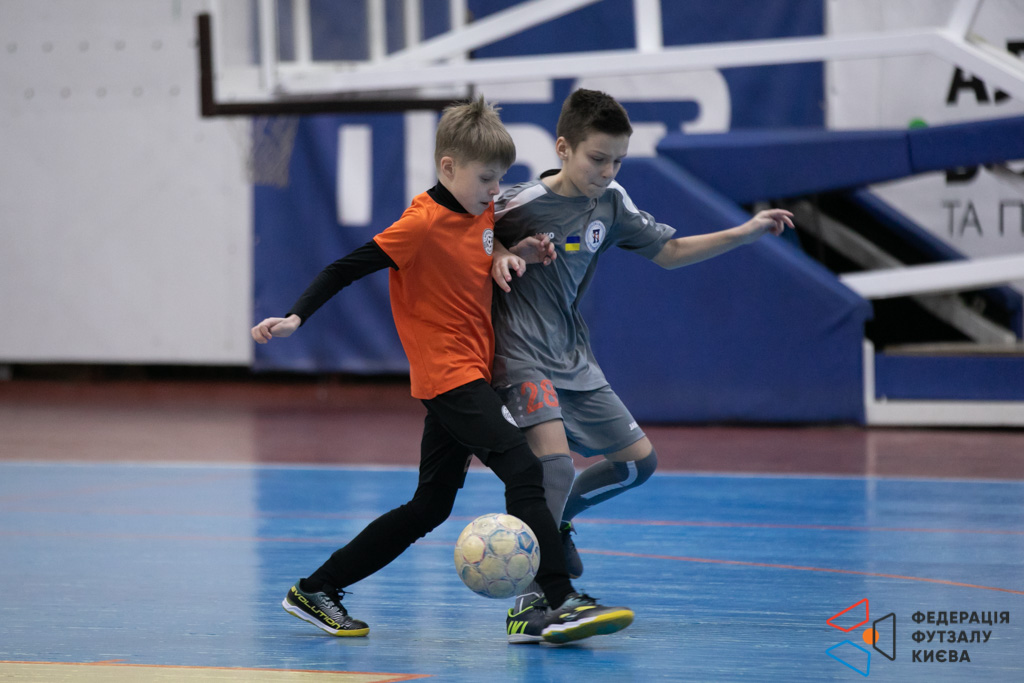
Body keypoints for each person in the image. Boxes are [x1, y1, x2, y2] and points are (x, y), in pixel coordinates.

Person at [251, 96, 634, 645]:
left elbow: (478, 247)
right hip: (449, 378)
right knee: (525, 469)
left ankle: (316, 589)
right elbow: (343, 268)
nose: (495, 191)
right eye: (486, 179)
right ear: (448, 167)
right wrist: (294, 317)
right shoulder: (420, 224)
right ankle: (557, 600)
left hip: (468, 374)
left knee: (428, 507)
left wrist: (513, 250)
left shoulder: (478, 210)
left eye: (500, 179)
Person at [493, 89, 794, 643]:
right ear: (563, 148)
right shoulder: (519, 203)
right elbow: (455, 235)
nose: (608, 171)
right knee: (554, 467)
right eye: (597, 158)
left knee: (637, 463)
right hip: (517, 355)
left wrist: (746, 231)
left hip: (572, 356)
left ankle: (556, 524)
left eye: (618, 161)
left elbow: (670, 252)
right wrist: (497, 253)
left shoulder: (612, 202)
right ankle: (531, 605)